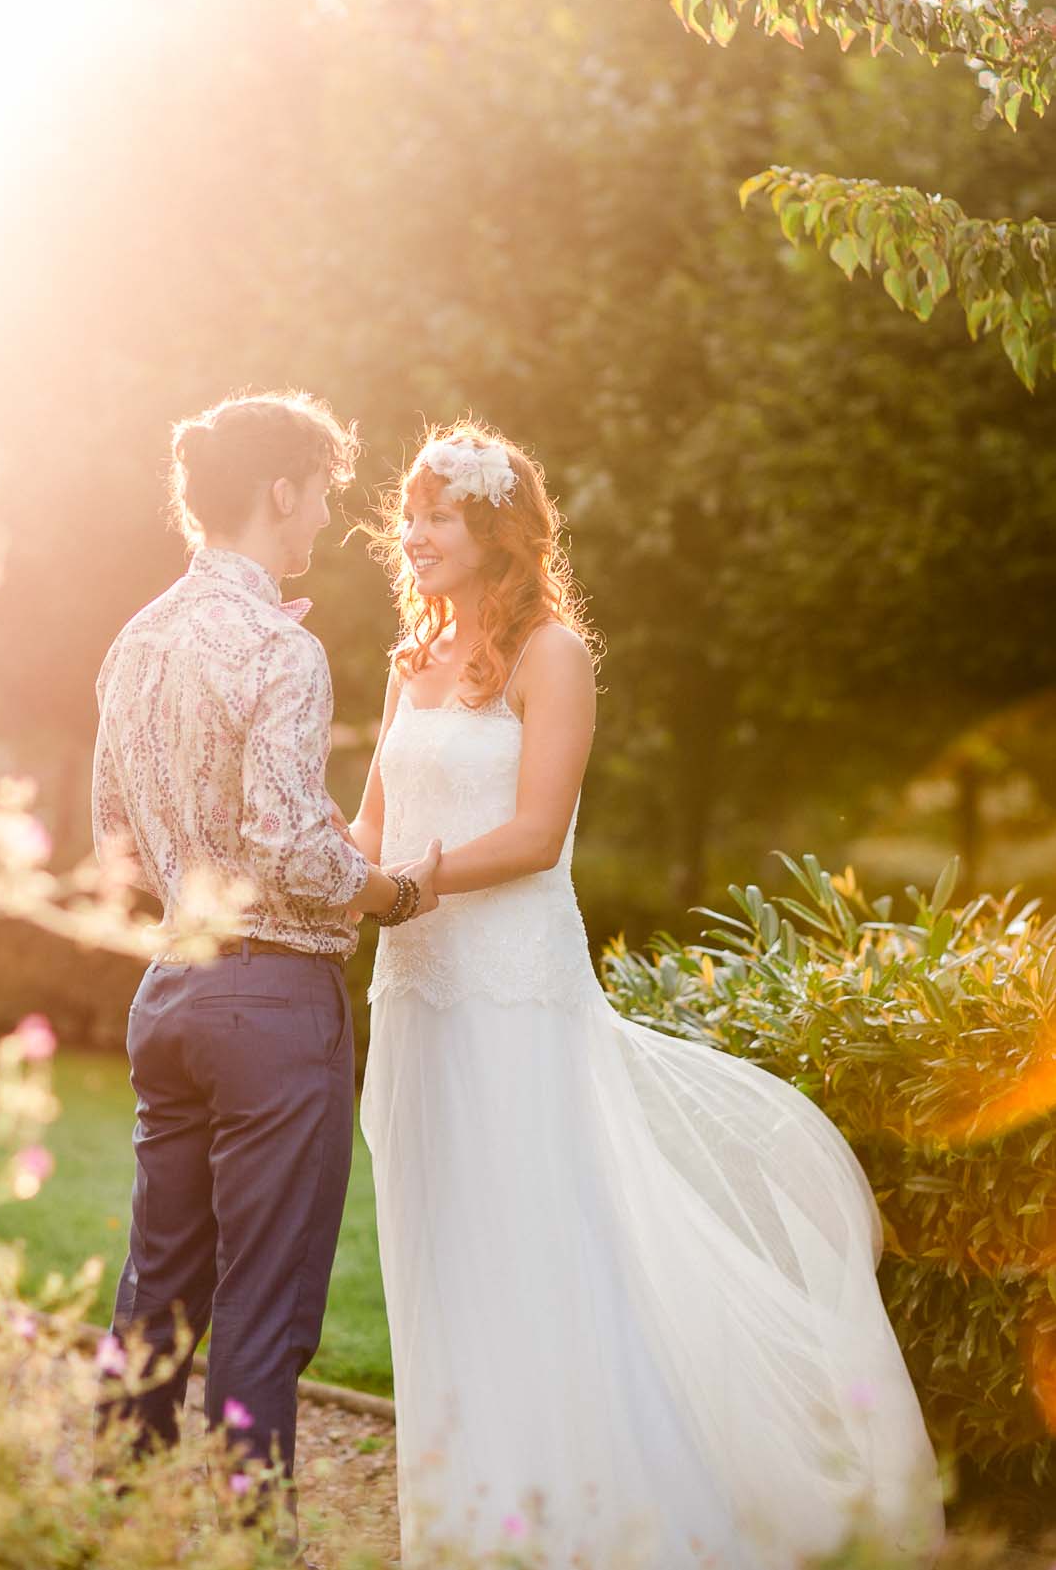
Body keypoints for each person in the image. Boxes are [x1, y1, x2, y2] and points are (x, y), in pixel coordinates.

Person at [354, 423, 945, 1570]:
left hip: (511, 997)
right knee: (436, 1244)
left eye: (438, 514)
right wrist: (300, 859)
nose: (414, 533)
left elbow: (531, 835)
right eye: (409, 514)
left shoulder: (550, 655)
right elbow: (368, 828)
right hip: (417, 990)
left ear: (493, 528)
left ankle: (588, 1516)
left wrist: (403, 884)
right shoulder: (405, 656)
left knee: (531, 1240)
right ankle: (466, 1519)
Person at [91, 389, 440, 1545]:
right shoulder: (280, 649)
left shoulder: (134, 638)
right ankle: (248, 1535)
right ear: (280, 488)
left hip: (170, 991)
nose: (325, 519)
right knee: (267, 1299)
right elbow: (294, 843)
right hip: (274, 1002)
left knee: (159, 1282)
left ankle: (122, 1515)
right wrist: (389, 890)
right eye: (324, 495)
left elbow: (115, 840)